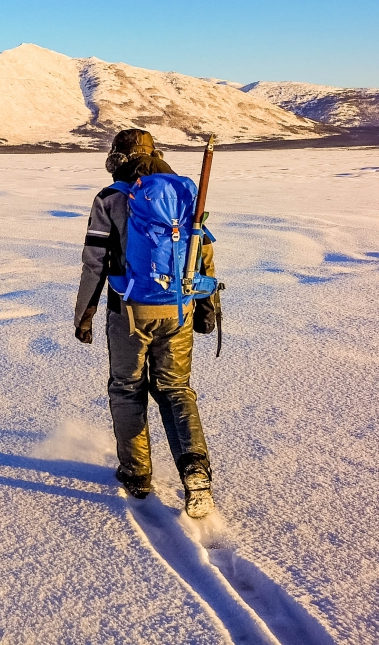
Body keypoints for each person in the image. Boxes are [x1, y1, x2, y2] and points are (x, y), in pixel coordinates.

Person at [72, 129, 220, 518]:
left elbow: (95, 262)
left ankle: (136, 474)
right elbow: (202, 251)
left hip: (128, 313)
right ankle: (195, 472)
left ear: (117, 158)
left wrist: (84, 315)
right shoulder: (186, 194)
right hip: (178, 309)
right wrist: (208, 307)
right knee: (175, 389)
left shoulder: (110, 199)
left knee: (126, 388)